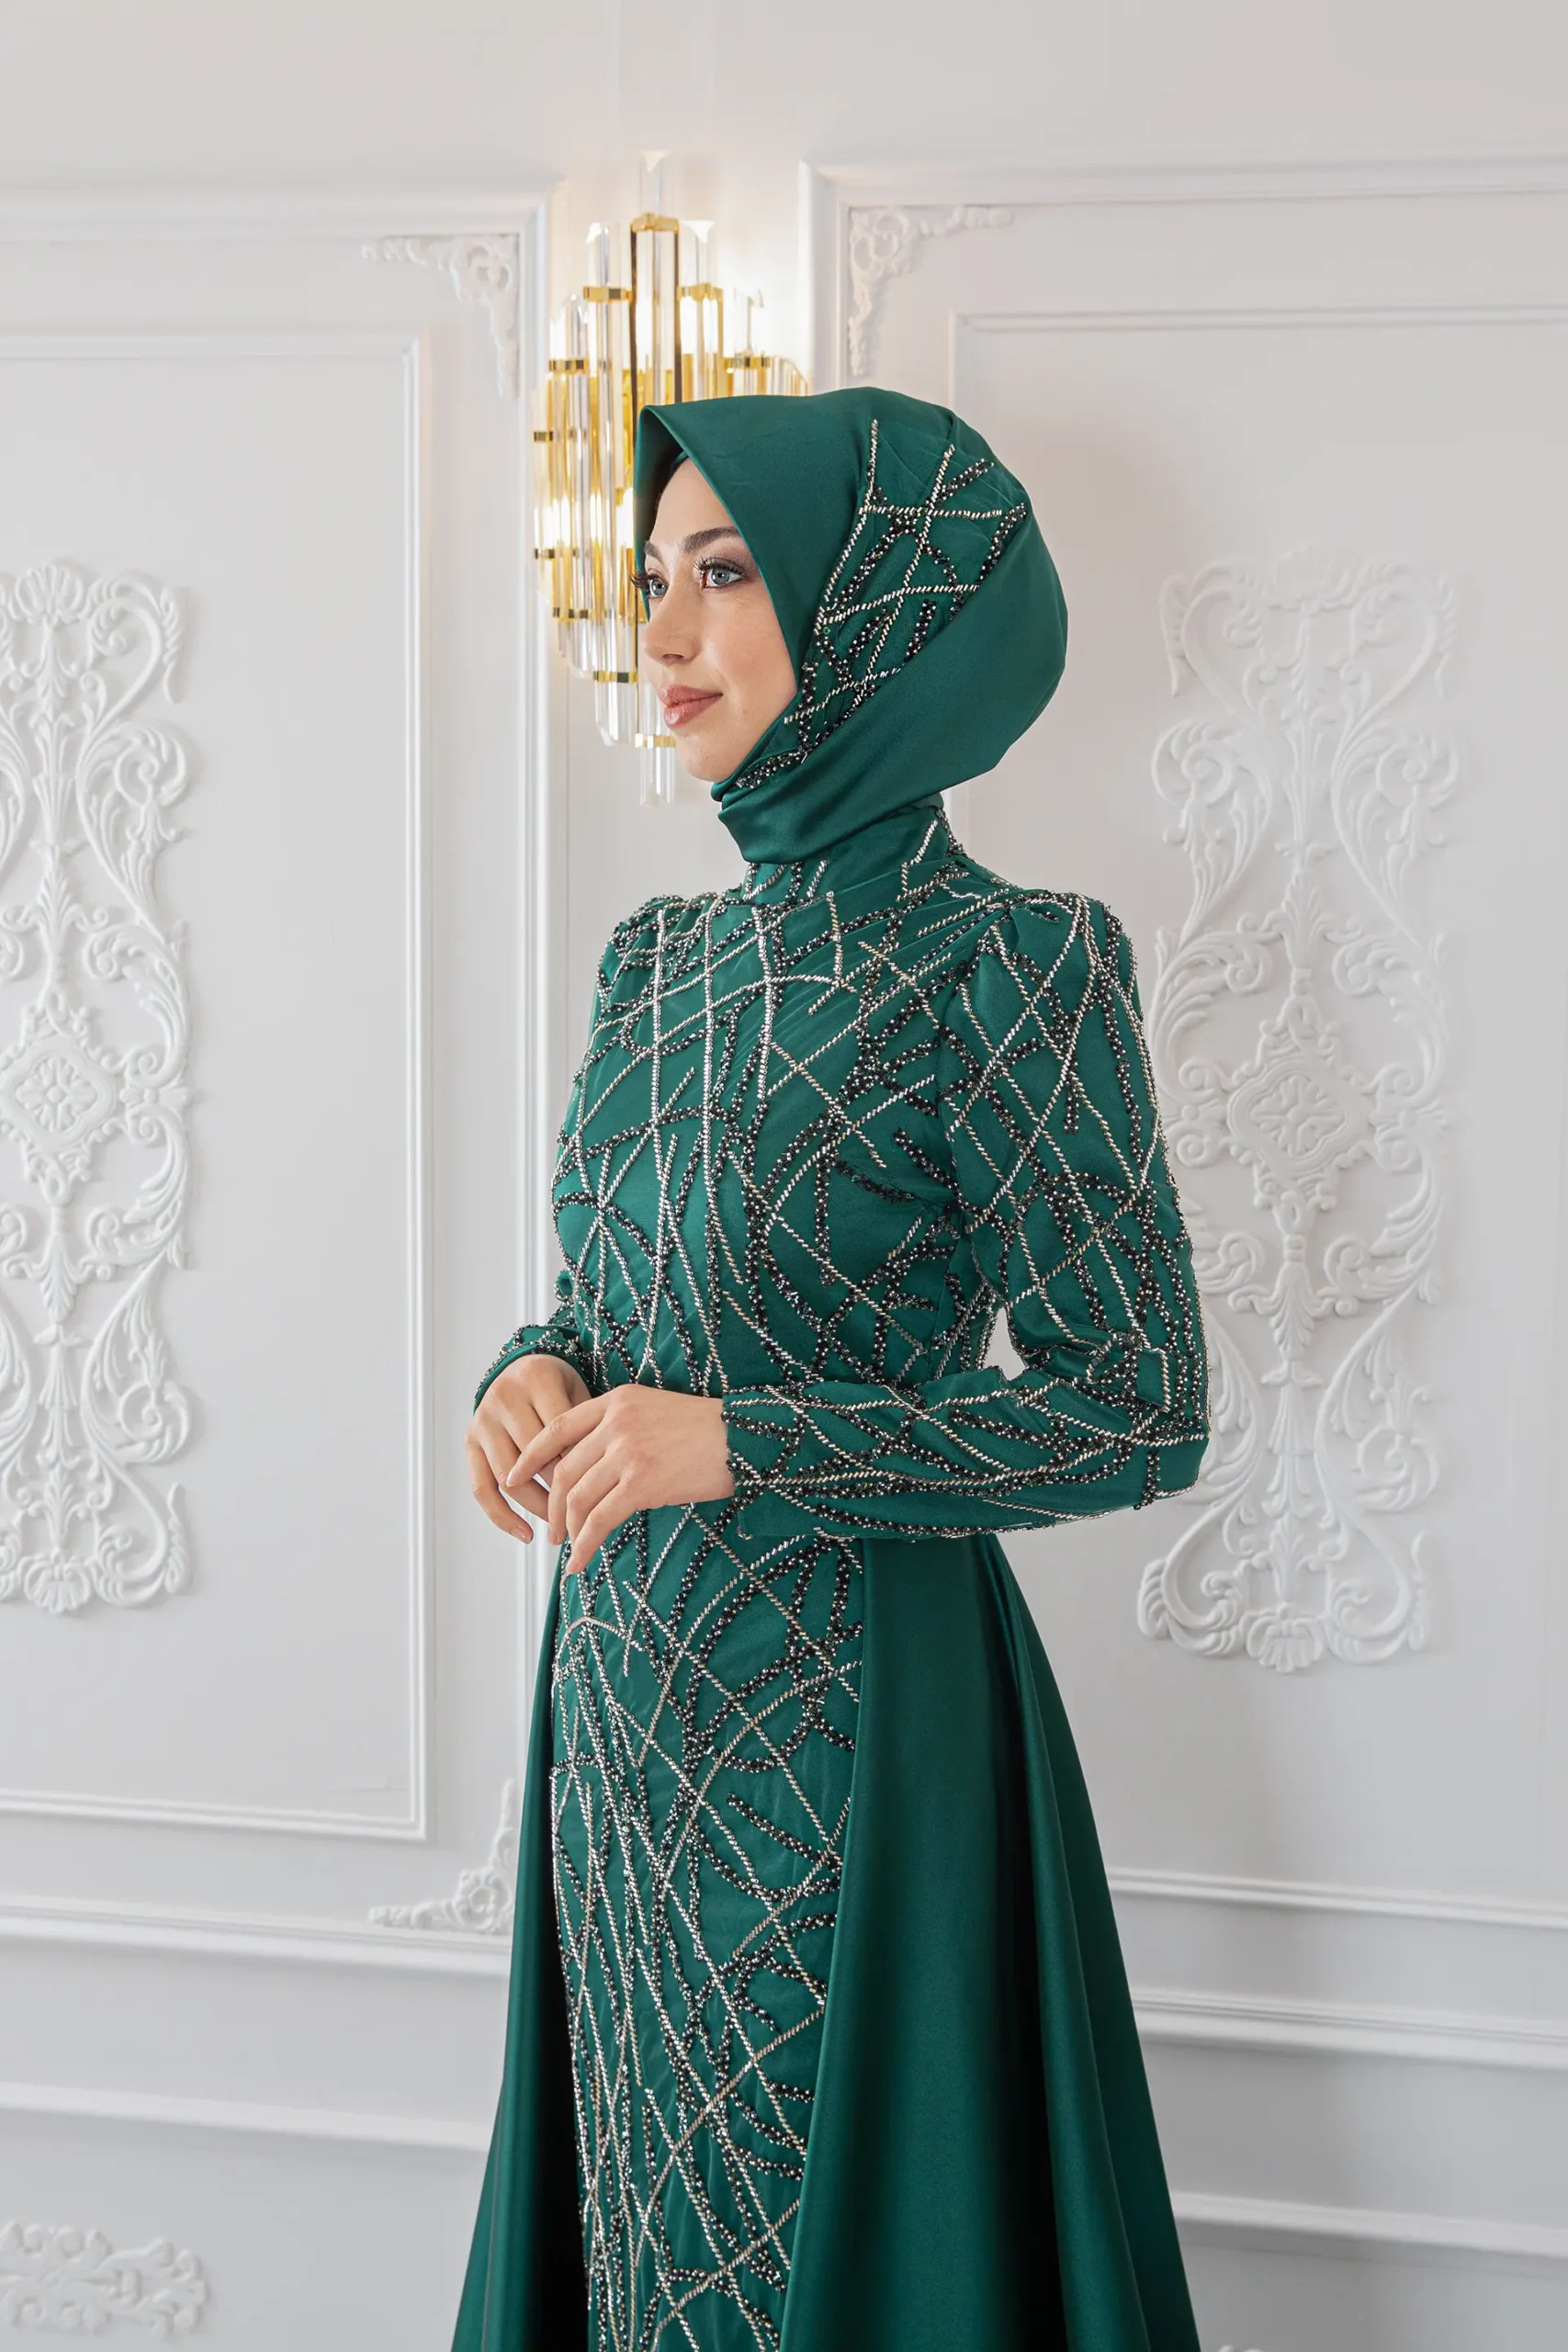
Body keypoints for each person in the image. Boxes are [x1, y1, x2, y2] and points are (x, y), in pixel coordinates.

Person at [456, 385, 1210, 2352]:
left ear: (873, 609)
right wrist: (533, 1373)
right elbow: (618, 1300)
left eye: (722, 574)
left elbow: (1138, 1397)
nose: (660, 633)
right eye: (648, 580)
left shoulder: (1009, 963)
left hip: (850, 1728)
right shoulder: (652, 964)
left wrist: (738, 1445)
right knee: (636, 2245)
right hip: (622, 1712)